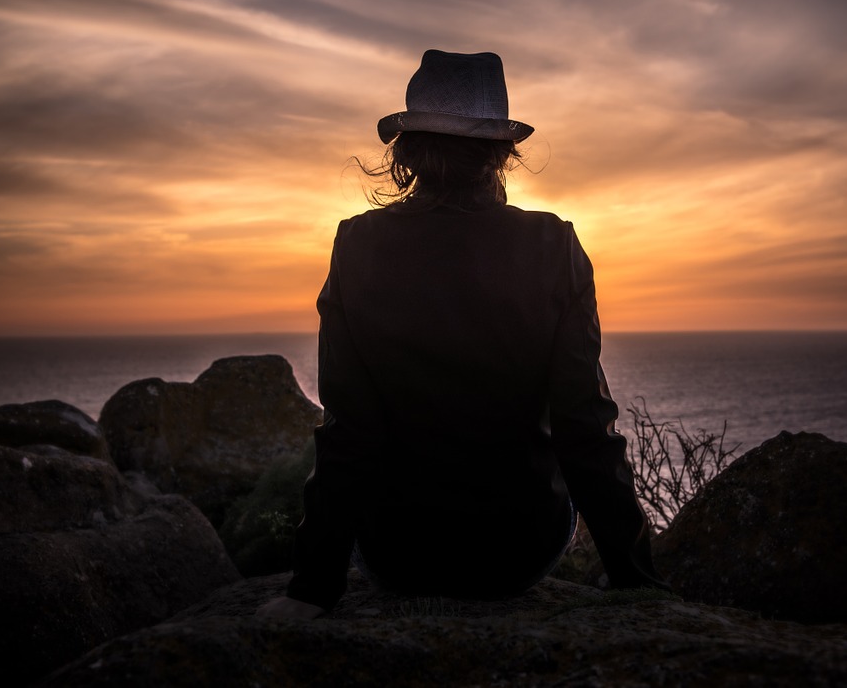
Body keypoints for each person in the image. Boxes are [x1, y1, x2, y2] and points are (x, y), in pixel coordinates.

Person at [257, 50, 667, 619]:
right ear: (502, 152)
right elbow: (583, 425)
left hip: (399, 555)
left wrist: (311, 588)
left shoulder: (357, 245)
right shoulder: (554, 245)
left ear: (406, 152)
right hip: (519, 552)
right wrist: (635, 577)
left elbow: (349, 429)